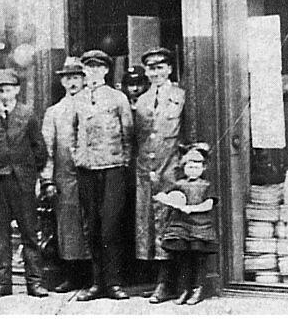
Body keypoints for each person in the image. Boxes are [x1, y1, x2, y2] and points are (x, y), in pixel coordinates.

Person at [0, 68, 50, 299]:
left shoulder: (27, 114)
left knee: (29, 232)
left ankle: (34, 282)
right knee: (0, 233)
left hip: (22, 182)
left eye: (9, 89)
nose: (4, 94)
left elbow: (40, 148)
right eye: (0, 89)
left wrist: (31, 172)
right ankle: (1, 283)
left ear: (17, 90)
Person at [71, 49, 134, 301]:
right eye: (89, 68)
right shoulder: (78, 99)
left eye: (98, 68)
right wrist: (77, 156)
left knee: (111, 226)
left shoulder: (118, 98)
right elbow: (73, 133)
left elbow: (128, 132)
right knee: (92, 227)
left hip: (113, 167)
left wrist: (124, 161)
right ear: (84, 71)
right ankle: (97, 283)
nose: (93, 72)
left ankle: (114, 282)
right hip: (87, 168)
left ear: (106, 70)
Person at [133, 47, 188, 303]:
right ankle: (159, 280)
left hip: (172, 169)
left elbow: (188, 133)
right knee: (150, 225)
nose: (154, 73)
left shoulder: (181, 96)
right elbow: (138, 138)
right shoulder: (142, 101)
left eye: (159, 67)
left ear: (169, 69)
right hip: (147, 171)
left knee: (171, 224)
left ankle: (170, 283)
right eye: (150, 68)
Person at [40, 56, 92, 292]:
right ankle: (73, 276)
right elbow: (46, 148)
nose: (72, 83)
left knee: (92, 223)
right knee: (69, 227)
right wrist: (48, 179)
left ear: (84, 79)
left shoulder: (93, 105)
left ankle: (96, 276)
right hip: (65, 176)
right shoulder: (54, 112)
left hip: (91, 175)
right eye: (68, 78)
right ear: (62, 82)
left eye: (76, 77)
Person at [156, 142, 218, 305]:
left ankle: (198, 288)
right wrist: (164, 198)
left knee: (198, 258)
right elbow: (165, 195)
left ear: (203, 169)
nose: (193, 171)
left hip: (200, 226)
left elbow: (210, 204)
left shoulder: (207, 185)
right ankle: (183, 290)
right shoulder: (179, 185)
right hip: (181, 226)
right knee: (182, 256)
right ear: (184, 168)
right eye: (189, 167)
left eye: (197, 167)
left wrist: (193, 208)